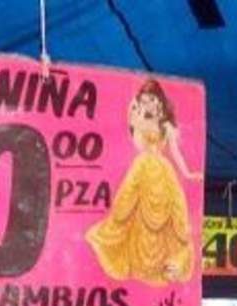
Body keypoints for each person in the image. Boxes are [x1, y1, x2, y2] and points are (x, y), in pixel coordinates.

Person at [86, 79, 202, 285]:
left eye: (151, 100)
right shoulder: (138, 118)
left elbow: (175, 153)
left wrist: (188, 174)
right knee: (124, 210)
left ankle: (173, 262)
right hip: (143, 167)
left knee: (175, 221)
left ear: (159, 102)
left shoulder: (165, 126)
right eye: (144, 100)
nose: (147, 103)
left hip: (163, 172)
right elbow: (137, 141)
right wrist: (135, 117)